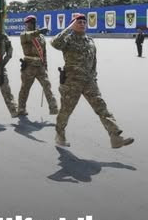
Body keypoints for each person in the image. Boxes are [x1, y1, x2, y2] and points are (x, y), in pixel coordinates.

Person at [51, 13, 134, 148]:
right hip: (72, 82)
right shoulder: (68, 39)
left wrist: (94, 77)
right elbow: (55, 43)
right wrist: (69, 28)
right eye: (79, 22)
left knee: (101, 107)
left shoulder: (90, 41)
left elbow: (93, 60)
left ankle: (115, 136)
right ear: (72, 24)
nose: (82, 24)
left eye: (84, 22)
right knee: (66, 110)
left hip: (89, 81)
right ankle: (60, 134)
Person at [17, 15, 58, 116]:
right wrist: (39, 31)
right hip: (29, 66)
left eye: (33, 22)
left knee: (47, 86)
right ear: (26, 24)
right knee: (25, 88)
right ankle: (21, 108)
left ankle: (54, 108)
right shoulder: (24, 35)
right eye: (28, 23)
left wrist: (46, 65)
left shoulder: (41, 37)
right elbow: (30, 35)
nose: (31, 24)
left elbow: (44, 52)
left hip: (40, 66)